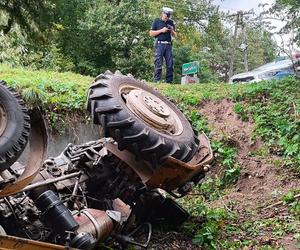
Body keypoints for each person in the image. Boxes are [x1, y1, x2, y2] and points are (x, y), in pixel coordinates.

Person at [149, 7, 176, 83]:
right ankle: (157, 80)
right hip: (159, 44)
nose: (166, 18)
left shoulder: (171, 22)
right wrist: (161, 30)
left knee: (170, 64)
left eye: (168, 16)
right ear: (162, 14)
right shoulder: (156, 21)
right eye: (165, 16)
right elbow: (151, 33)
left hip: (168, 45)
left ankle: (169, 81)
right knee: (158, 63)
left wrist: (171, 30)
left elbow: (174, 35)